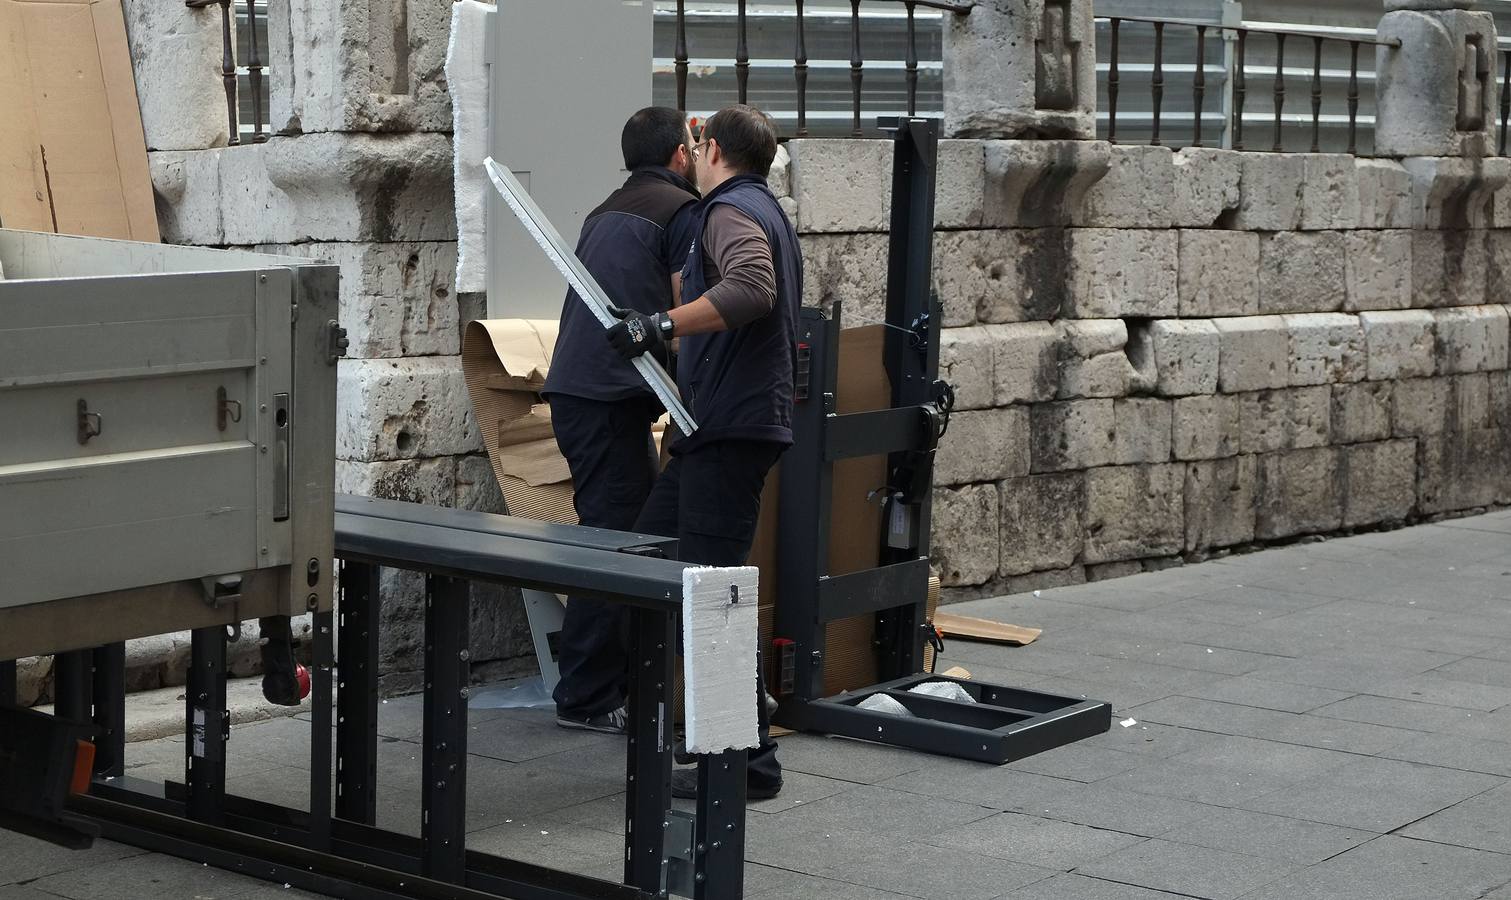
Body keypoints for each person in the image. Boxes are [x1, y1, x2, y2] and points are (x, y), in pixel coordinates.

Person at [605, 104, 799, 800]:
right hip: (706, 428)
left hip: (729, 430)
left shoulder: (728, 208)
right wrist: (671, 333)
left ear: (709, 147)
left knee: (711, 594)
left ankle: (745, 767)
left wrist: (657, 320)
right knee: (647, 554)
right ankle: (694, 727)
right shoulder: (757, 207)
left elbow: (750, 288)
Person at [542, 107, 700, 733]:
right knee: (616, 544)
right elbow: (688, 308)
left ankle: (618, 685)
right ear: (681, 155)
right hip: (607, 400)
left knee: (614, 536)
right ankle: (584, 695)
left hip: (585, 395)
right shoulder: (679, 212)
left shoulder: (604, 209)